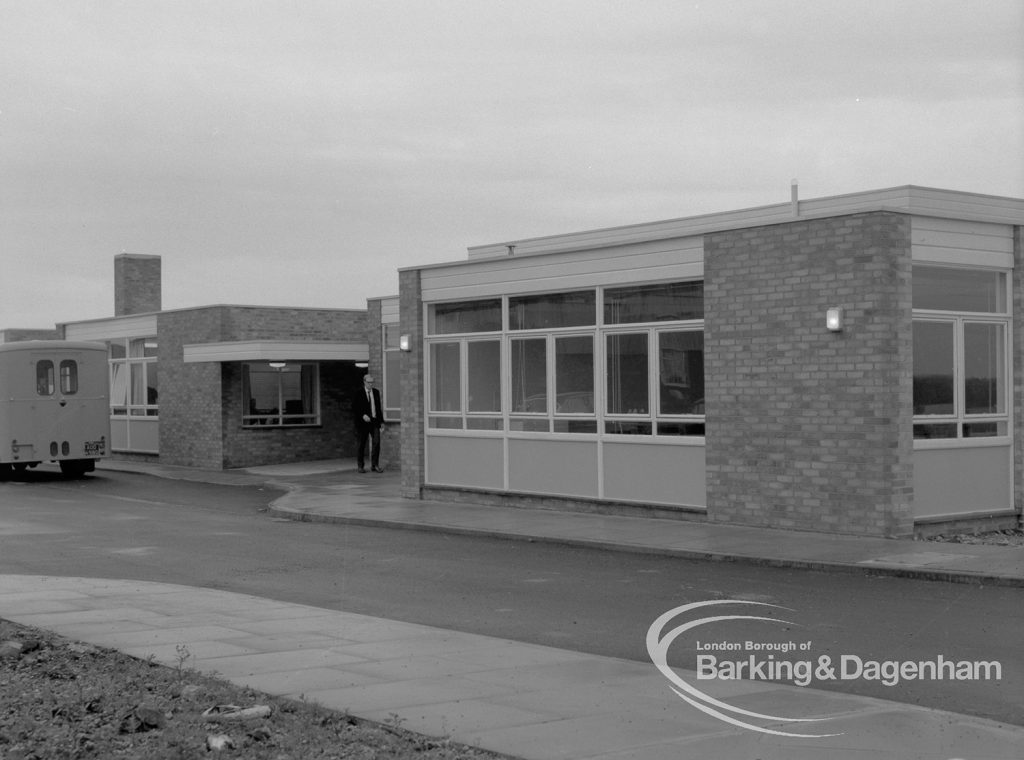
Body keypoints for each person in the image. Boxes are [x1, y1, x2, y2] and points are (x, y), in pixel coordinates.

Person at [353, 374, 385, 473]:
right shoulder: (358, 393)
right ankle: (360, 466)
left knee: (377, 442)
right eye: (369, 382)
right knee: (361, 444)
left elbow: (378, 408)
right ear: (364, 382)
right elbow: (354, 407)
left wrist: (381, 422)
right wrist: (362, 415)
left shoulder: (376, 392)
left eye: (372, 382)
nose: (371, 384)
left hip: (374, 421)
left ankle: (375, 465)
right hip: (363, 423)